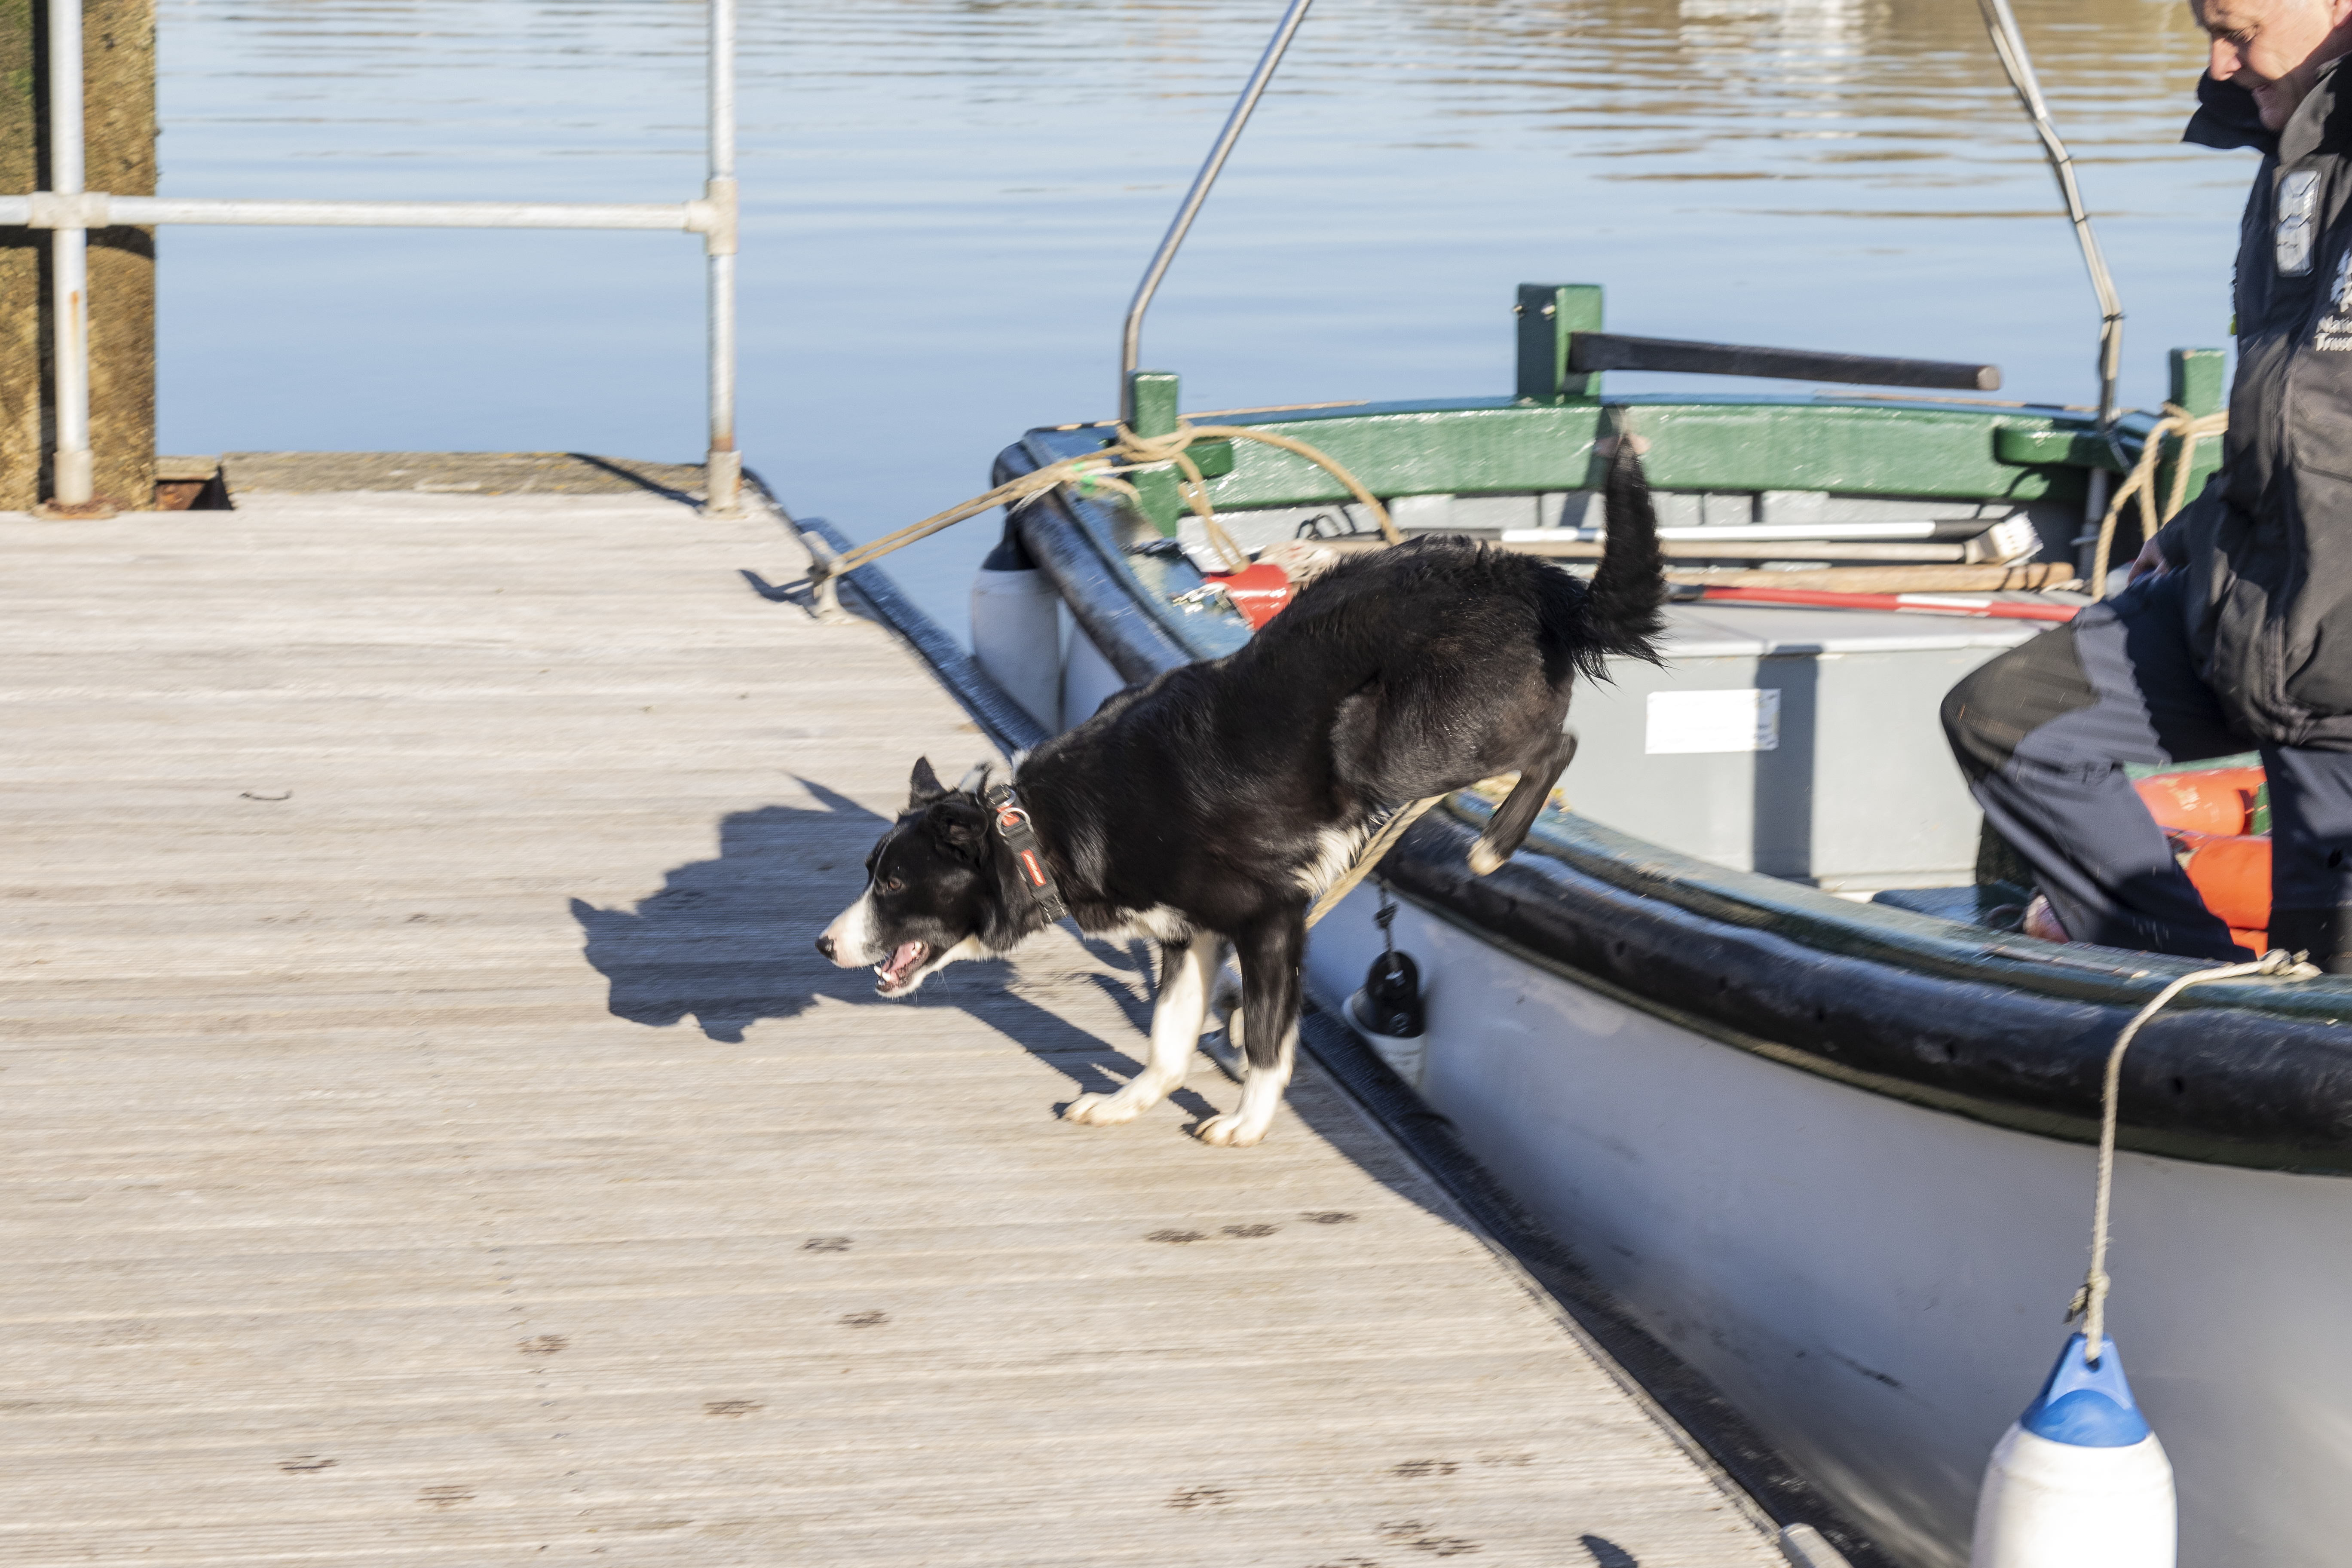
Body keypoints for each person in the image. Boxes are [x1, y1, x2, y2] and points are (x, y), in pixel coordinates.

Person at [1942, 0, 2352, 970]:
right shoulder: (2295, 154)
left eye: (2240, 30)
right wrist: (2210, 514)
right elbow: (2308, 408)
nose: (2218, 62)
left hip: (2340, 676)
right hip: (2257, 603)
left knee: (2323, 1012)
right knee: (2005, 722)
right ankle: (2187, 993)